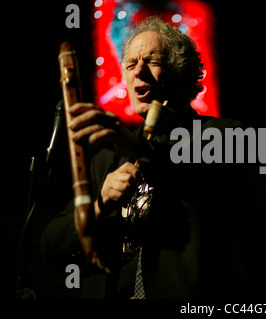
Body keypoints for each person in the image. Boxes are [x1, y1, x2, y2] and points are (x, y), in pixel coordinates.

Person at [41, 16, 253, 299]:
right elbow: (51, 247)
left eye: (153, 61)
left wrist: (137, 150)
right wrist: (99, 206)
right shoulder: (106, 159)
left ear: (182, 72)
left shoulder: (223, 134)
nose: (138, 72)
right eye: (130, 64)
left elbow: (206, 185)